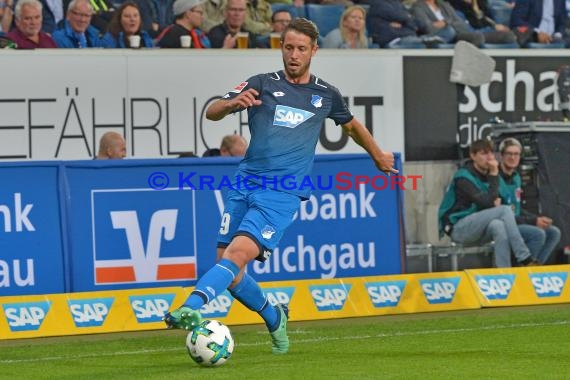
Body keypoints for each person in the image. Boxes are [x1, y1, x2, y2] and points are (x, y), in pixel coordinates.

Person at [163, 18, 396, 354]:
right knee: (229, 270)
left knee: (235, 254)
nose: (294, 55)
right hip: (245, 183)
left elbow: (352, 126)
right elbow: (212, 111)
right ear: (281, 48)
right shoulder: (261, 83)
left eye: (301, 48)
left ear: (314, 50)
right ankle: (274, 316)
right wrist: (231, 104)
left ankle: (192, 306)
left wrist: (377, 155)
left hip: (282, 191)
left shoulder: (325, 94)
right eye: (288, 47)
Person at [438, 139, 537, 268]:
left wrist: (493, 184)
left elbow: (492, 202)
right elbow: (487, 203)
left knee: (498, 225)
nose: (489, 158)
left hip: (478, 226)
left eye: (491, 153)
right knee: (504, 210)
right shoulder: (464, 176)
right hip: (458, 228)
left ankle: (504, 275)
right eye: (483, 153)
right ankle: (525, 258)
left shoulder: (487, 175)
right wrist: (494, 174)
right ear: (473, 156)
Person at [498, 137, 561, 264]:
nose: (512, 157)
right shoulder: (495, 178)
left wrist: (537, 219)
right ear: (501, 156)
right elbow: (502, 214)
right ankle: (523, 271)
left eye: (516, 154)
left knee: (554, 232)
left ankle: (535, 269)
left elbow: (517, 209)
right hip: (502, 225)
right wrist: (533, 221)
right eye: (509, 154)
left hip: (517, 221)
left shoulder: (516, 177)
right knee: (537, 234)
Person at [411, 0, 484, 46]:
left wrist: (445, 23)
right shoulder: (417, 7)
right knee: (449, 31)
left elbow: (462, 24)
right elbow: (428, 28)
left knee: (477, 36)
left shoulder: (444, 4)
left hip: (455, 34)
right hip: (438, 35)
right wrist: (449, 24)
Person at [445, 0, 517, 45]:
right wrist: (493, 28)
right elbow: (468, 31)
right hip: (467, 36)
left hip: (485, 34)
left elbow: (490, 20)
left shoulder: (481, 5)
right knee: (477, 37)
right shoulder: (454, 8)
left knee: (510, 35)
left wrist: (498, 28)